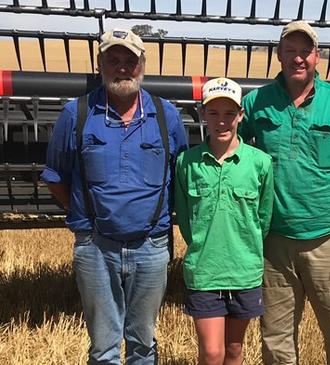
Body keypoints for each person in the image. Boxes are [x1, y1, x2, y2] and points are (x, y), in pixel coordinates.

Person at [240, 21, 330, 365]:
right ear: (279, 56)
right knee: (276, 341)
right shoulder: (255, 104)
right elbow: (234, 156)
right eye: (290, 51)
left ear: (317, 56)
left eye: (305, 51)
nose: (298, 58)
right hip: (274, 243)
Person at [42, 28, 188, 364]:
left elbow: (179, 176)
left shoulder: (166, 116)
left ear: (143, 65)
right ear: (100, 64)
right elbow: (56, 177)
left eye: (130, 61)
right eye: (113, 60)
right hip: (95, 247)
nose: (122, 68)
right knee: (104, 348)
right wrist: (86, 217)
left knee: (144, 344)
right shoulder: (76, 114)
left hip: (151, 247)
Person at [174, 77, 274, 365]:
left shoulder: (260, 163)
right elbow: (186, 221)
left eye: (230, 113)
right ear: (202, 114)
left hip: (245, 271)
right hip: (205, 271)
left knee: (234, 350)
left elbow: (263, 219)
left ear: (241, 116)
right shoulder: (187, 163)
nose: (222, 121)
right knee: (212, 352)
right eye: (214, 113)